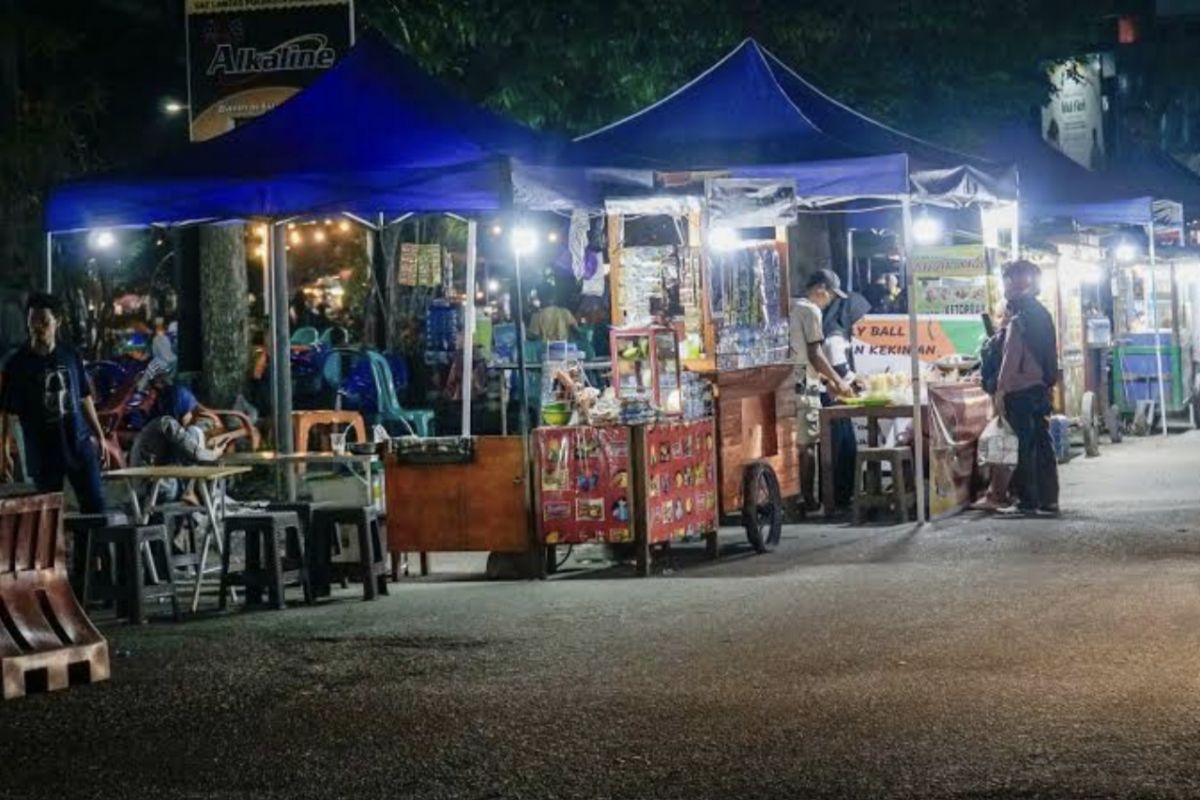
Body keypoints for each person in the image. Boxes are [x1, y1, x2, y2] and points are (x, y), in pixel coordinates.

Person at [0, 293, 109, 511]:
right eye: (32, 321)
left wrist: (99, 435)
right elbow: (7, 411)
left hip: (78, 444)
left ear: (56, 323)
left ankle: (85, 546)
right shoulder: (18, 365)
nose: (37, 327)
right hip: (43, 452)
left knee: (96, 508)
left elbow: (84, 396)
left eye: (44, 321)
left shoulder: (70, 355)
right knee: (47, 519)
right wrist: (3, 451)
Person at [995, 260, 1059, 516]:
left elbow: (1011, 357)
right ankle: (1049, 499)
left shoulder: (1020, 317)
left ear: (1016, 283)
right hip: (1040, 388)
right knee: (1042, 444)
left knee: (1023, 446)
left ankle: (1027, 501)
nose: (1005, 286)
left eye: (1007, 280)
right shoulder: (1042, 314)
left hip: (1020, 391)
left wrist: (1001, 389)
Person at [791, 269, 854, 509]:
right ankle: (808, 499)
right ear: (820, 289)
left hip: (785, 384)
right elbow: (815, 355)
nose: (830, 302)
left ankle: (796, 495)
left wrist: (828, 381)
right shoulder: (810, 310)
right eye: (830, 296)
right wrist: (838, 381)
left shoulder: (790, 306)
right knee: (807, 445)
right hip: (803, 386)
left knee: (793, 444)